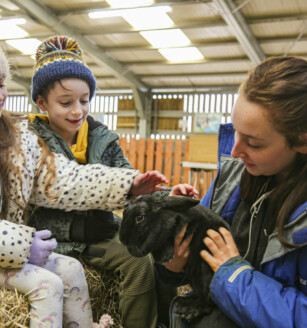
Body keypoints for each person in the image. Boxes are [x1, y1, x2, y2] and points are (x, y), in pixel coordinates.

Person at [0, 18, 168, 328]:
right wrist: (20, 246)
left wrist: (127, 184)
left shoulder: (13, 136)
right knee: (49, 285)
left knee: (71, 271)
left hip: (2, 252)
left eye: (2, 84)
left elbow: (62, 179)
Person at [26, 35, 198, 328]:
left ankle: (167, 321)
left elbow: (132, 183)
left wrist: (169, 196)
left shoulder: (101, 138)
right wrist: (78, 227)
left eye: (84, 100)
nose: (77, 110)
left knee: (160, 246)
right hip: (59, 241)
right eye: (65, 102)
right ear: (42, 102)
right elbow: (32, 204)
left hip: (102, 230)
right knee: (137, 260)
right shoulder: (29, 142)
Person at [156, 56, 307, 327]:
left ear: (305, 142)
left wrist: (235, 276)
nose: (234, 151)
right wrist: (173, 260)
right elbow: (197, 264)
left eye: (254, 143)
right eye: (235, 132)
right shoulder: (234, 175)